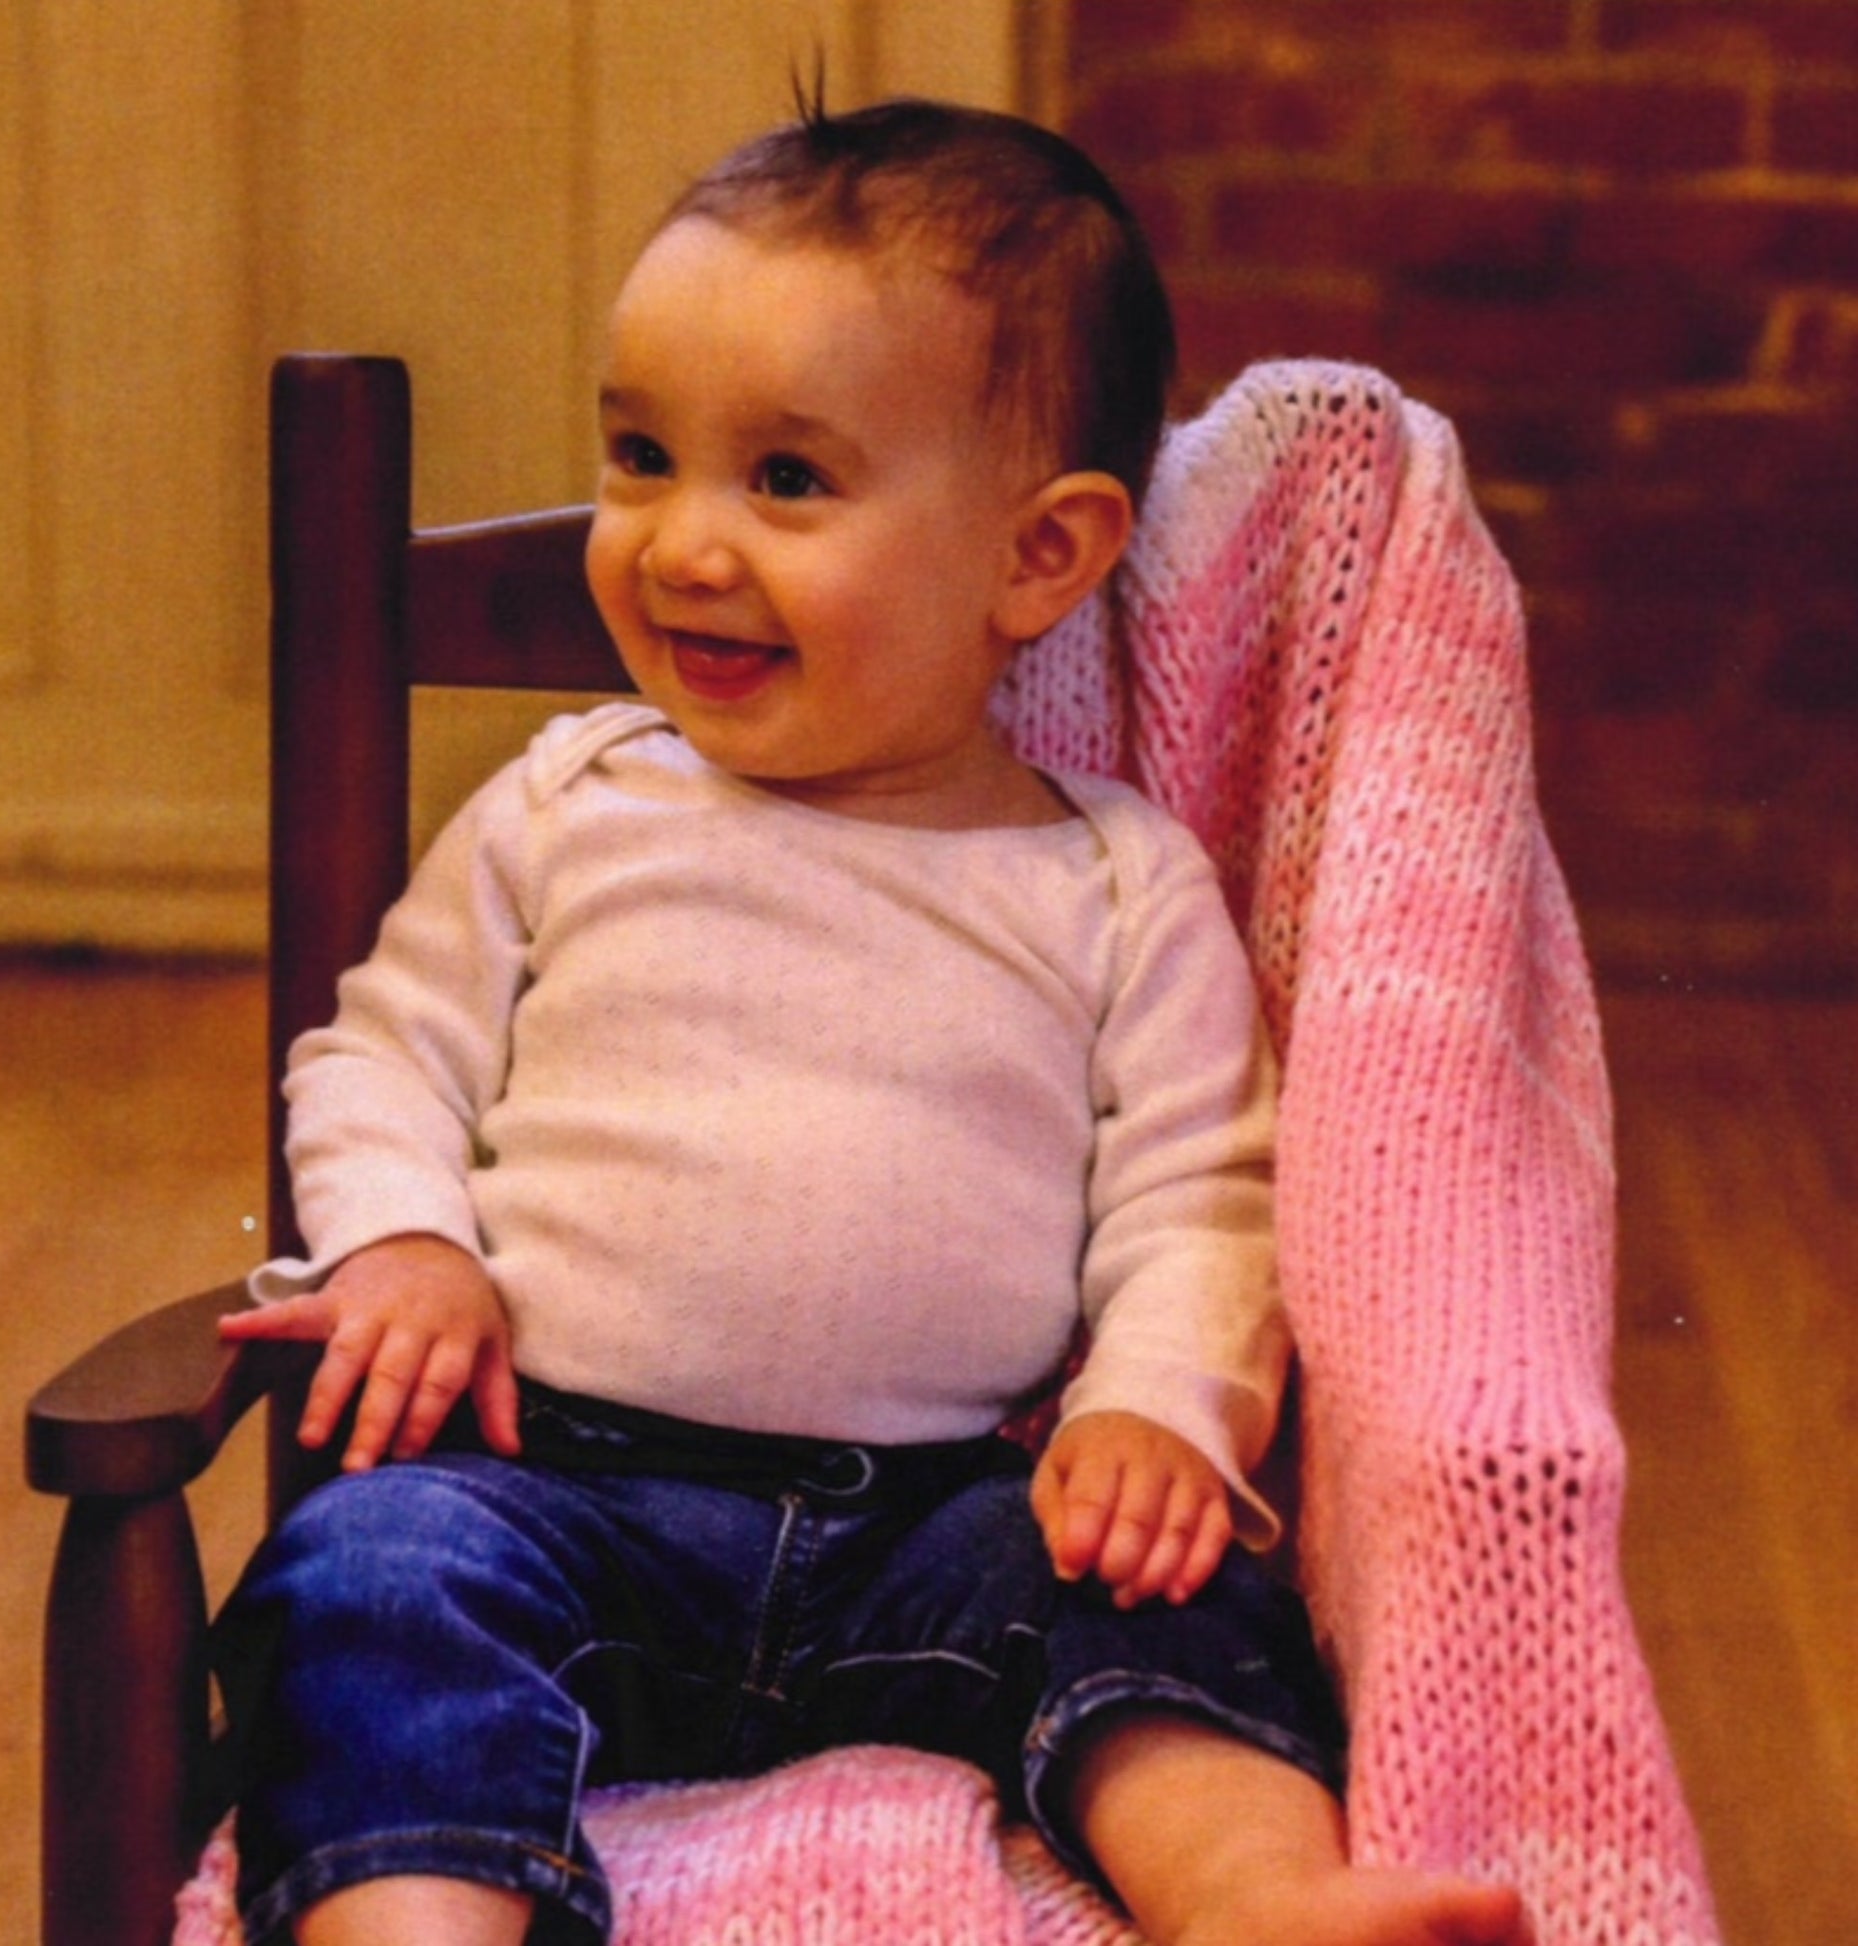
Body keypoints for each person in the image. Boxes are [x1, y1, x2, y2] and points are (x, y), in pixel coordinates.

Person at [215, 95, 1524, 1946]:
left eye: (788, 481)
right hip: (549, 1492)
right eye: (641, 455)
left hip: (941, 1519)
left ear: (1040, 557)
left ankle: (1253, 1896)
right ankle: (418, 1924)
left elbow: (1202, 1193)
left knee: (1161, 1594)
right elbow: (383, 1052)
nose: (678, 545)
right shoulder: (569, 801)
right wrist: (410, 1238)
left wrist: (1156, 1403)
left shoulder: (1110, 883)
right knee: (368, 1576)